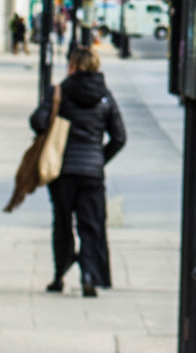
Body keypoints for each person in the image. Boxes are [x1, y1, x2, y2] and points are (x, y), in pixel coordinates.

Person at [29, 46, 126, 298]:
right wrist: (99, 159)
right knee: (92, 225)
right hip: (92, 172)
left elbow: (37, 122)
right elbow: (119, 136)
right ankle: (89, 275)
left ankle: (59, 275)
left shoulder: (59, 92)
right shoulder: (105, 96)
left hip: (62, 169)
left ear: (73, 66)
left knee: (62, 223)